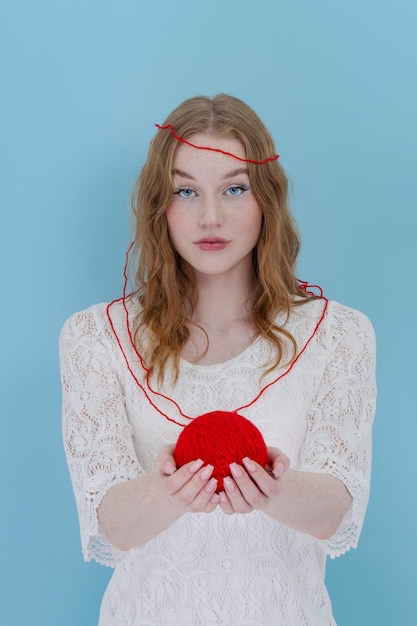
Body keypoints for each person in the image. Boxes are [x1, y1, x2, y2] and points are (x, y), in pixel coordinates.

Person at [60, 94, 376, 626]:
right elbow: (110, 523)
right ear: (160, 204)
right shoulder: (94, 337)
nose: (211, 216)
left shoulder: (340, 334)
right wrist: (168, 493)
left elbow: (334, 511)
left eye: (234, 188)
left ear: (265, 202)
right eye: (187, 191)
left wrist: (273, 487)